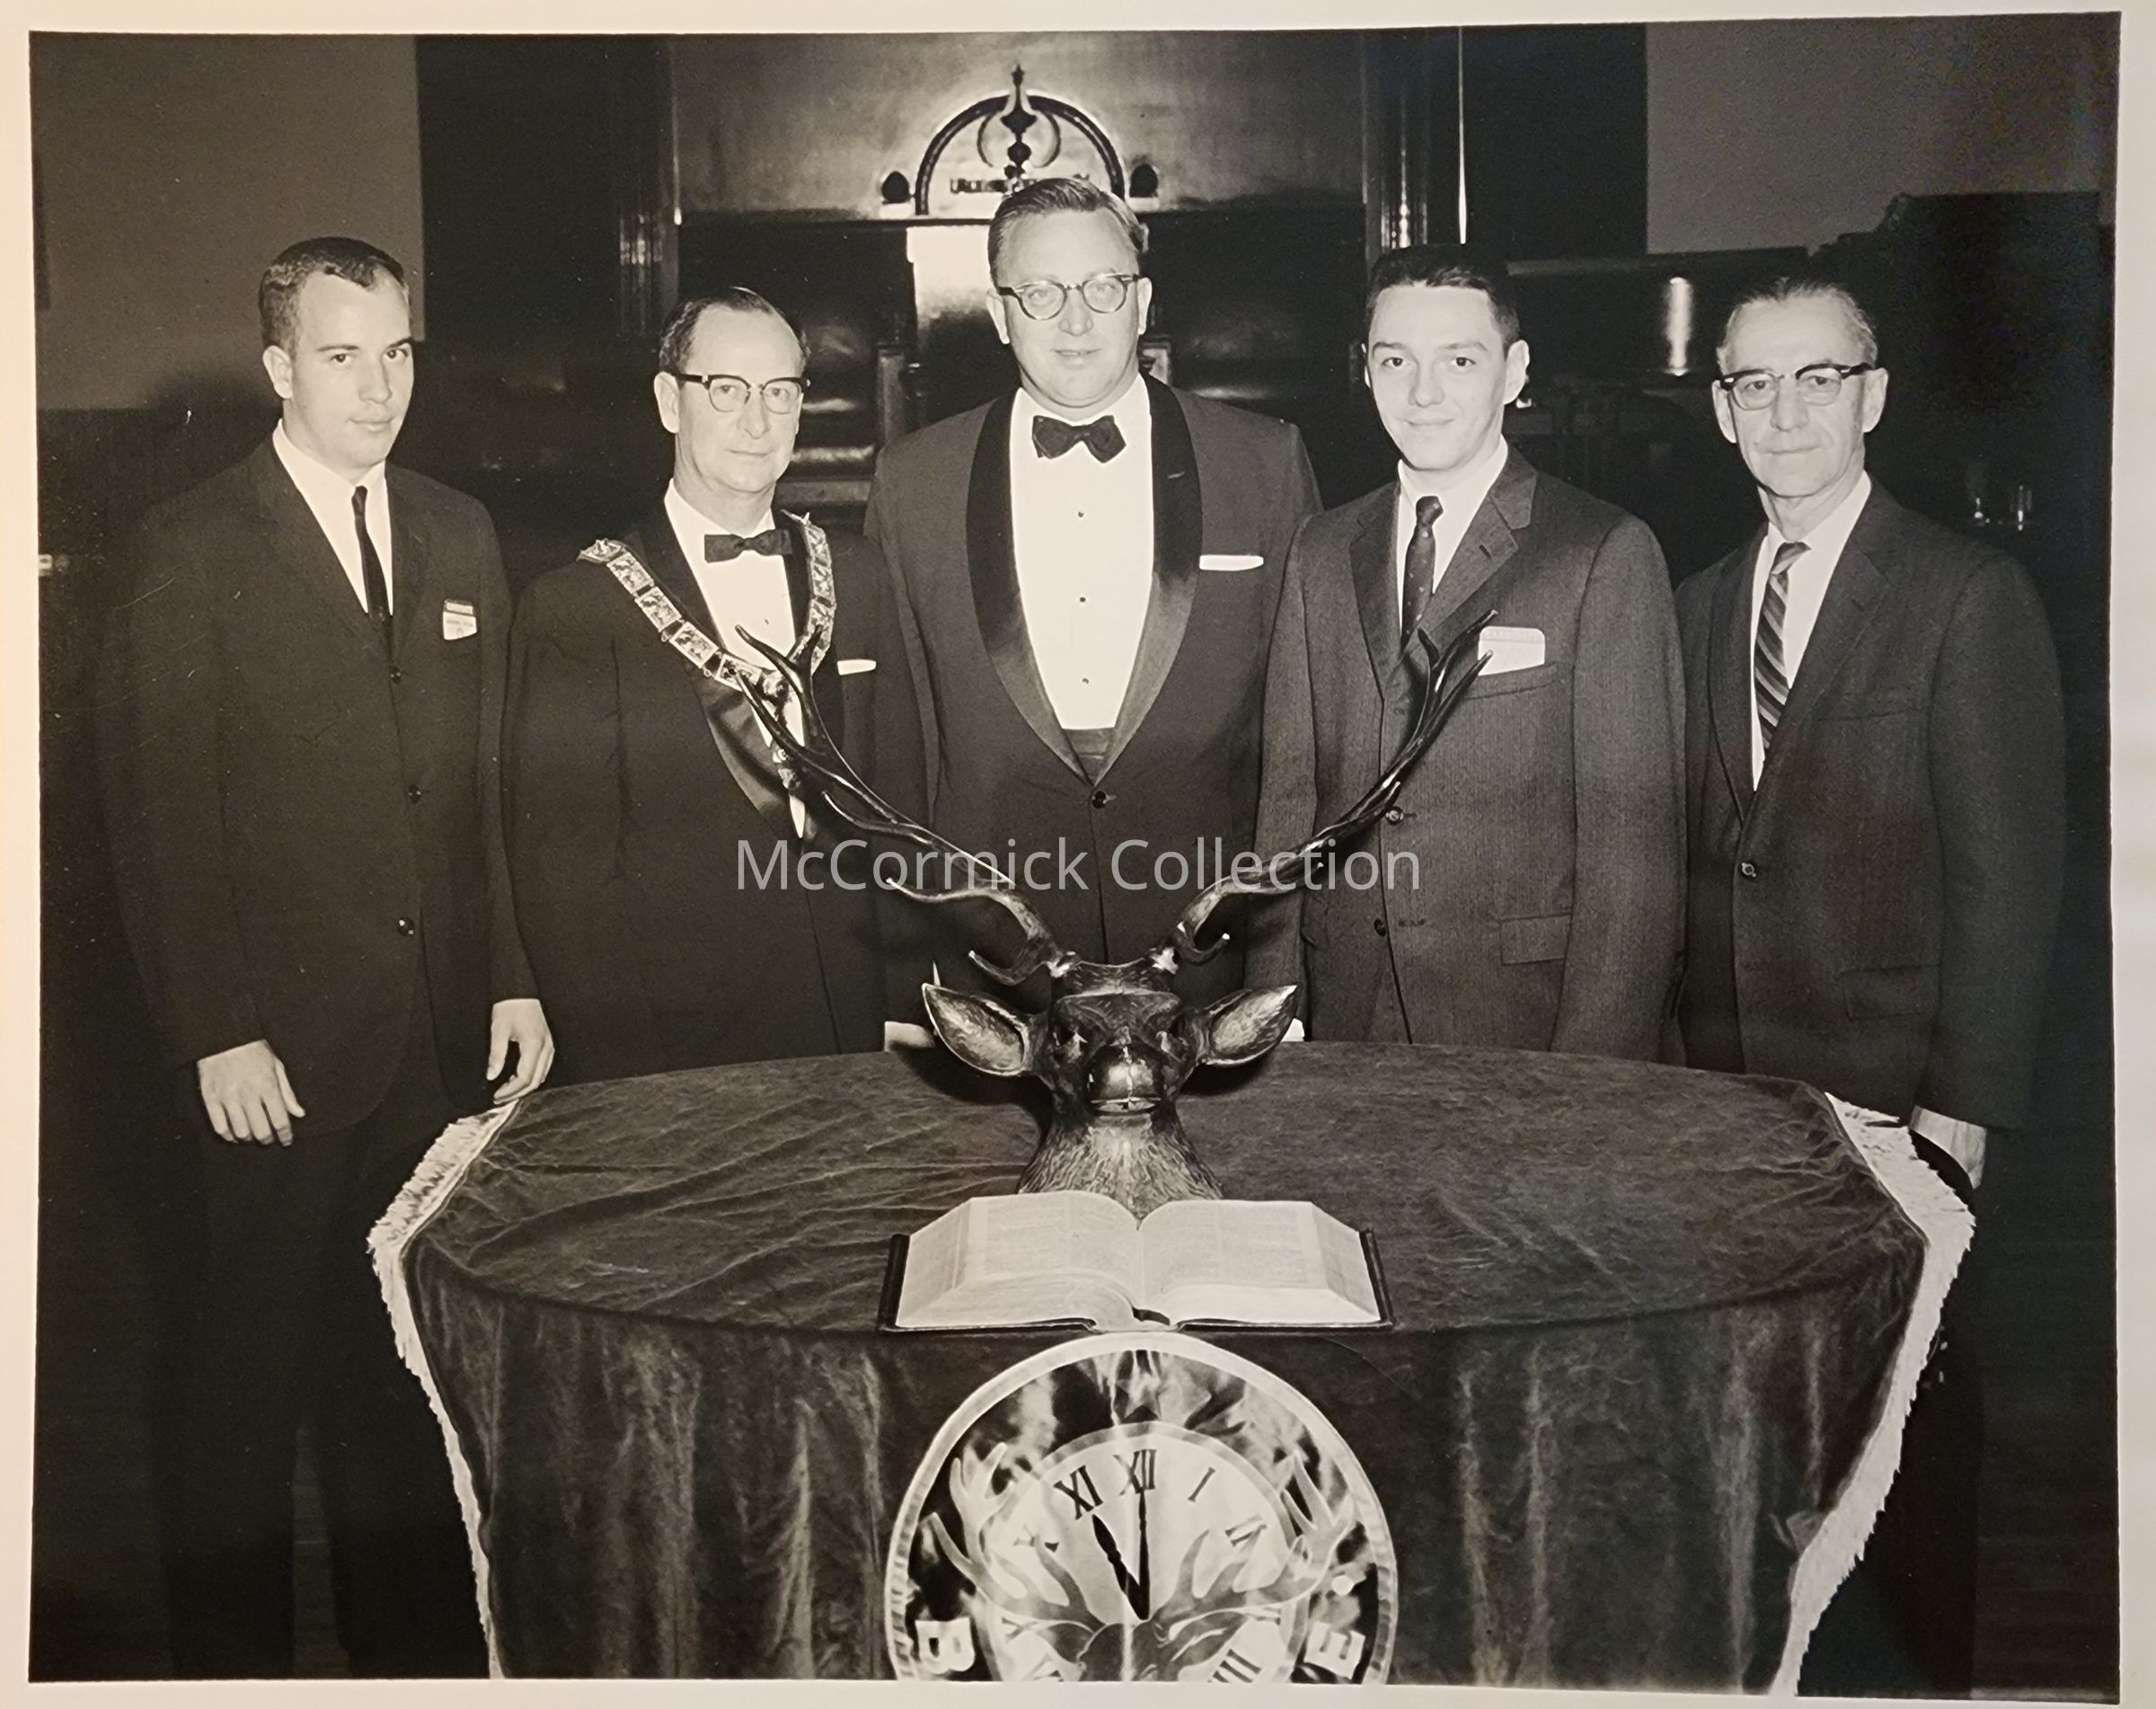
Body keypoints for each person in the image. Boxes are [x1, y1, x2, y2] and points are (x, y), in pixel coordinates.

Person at [95, 236, 551, 1676]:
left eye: (397, 352)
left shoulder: (459, 530)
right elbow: (156, 812)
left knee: (400, 1383)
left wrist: (512, 970)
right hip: (273, 1059)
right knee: (241, 1388)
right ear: (278, 369)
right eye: (342, 356)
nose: (378, 385)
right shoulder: (189, 547)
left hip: (428, 1043)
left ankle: (411, 1670)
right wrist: (215, 1026)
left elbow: (482, 788)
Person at [1677, 275, 2065, 1695]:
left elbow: (2010, 880)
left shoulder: (1966, 594)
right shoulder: (1698, 604)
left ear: (1875, 395)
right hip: (1739, 1110)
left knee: (1912, 1447)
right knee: (1768, 1448)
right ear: (1722, 410)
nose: (1786, 411)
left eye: (1818, 378)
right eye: (1755, 383)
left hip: (1901, 1102)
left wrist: (1963, 1108)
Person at [866, 177, 1320, 1005]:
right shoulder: (912, 480)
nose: (1075, 321)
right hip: (996, 944)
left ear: (1141, 302)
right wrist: (914, 972)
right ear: (1000, 314)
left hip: (1207, 931)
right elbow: (902, 741)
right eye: (1041, 292)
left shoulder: (1262, 461)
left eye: (1103, 288)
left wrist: (1283, 968)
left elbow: (1304, 731)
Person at [1249, 244, 1683, 1058]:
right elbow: (1288, 803)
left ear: (1514, 372)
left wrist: (1596, 1073)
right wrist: (1274, 1014)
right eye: (1396, 360)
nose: (1423, 393)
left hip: (1522, 1019)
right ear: (1365, 370)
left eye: (1459, 360)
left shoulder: (1601, 552)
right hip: (1345, 1006)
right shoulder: (1321, 548)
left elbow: (1633, 853)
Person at [506, 289, 922, 1080]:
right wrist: (629, 1074)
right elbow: (566, 881)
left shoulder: (859, 574)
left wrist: (905, 1000)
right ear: (671, 402)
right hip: (676, 1042)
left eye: (779, 392)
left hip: (854, 1019)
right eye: (727, 390)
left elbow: (897, 804)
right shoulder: (577, 606)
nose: (756, 422)